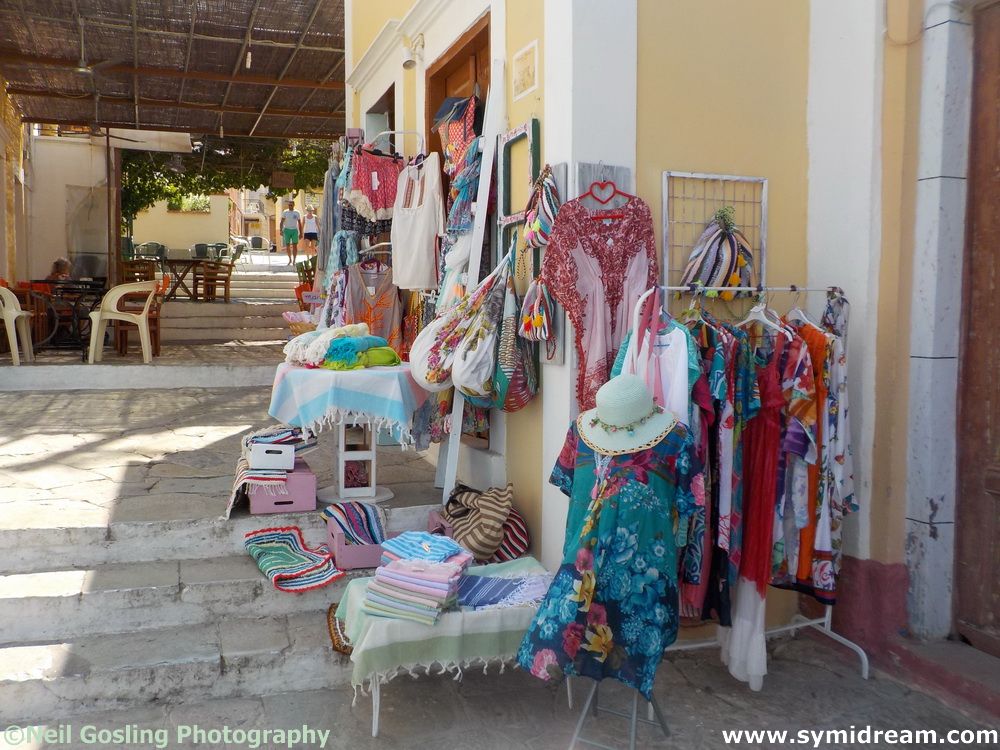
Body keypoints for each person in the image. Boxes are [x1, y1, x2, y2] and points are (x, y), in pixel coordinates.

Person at [279, 199, 303, 265]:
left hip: (294, 230)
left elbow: (299, 223)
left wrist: (301, 233)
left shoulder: (297, 212)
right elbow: (281, 222)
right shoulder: (285, 212)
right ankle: (290, 259)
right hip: (287, 230)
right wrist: (281, 230)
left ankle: (294, 260)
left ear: (294, 205)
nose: (290, 206)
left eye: (291, 205)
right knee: (287, 245)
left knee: (295, 246)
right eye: (289, 205)